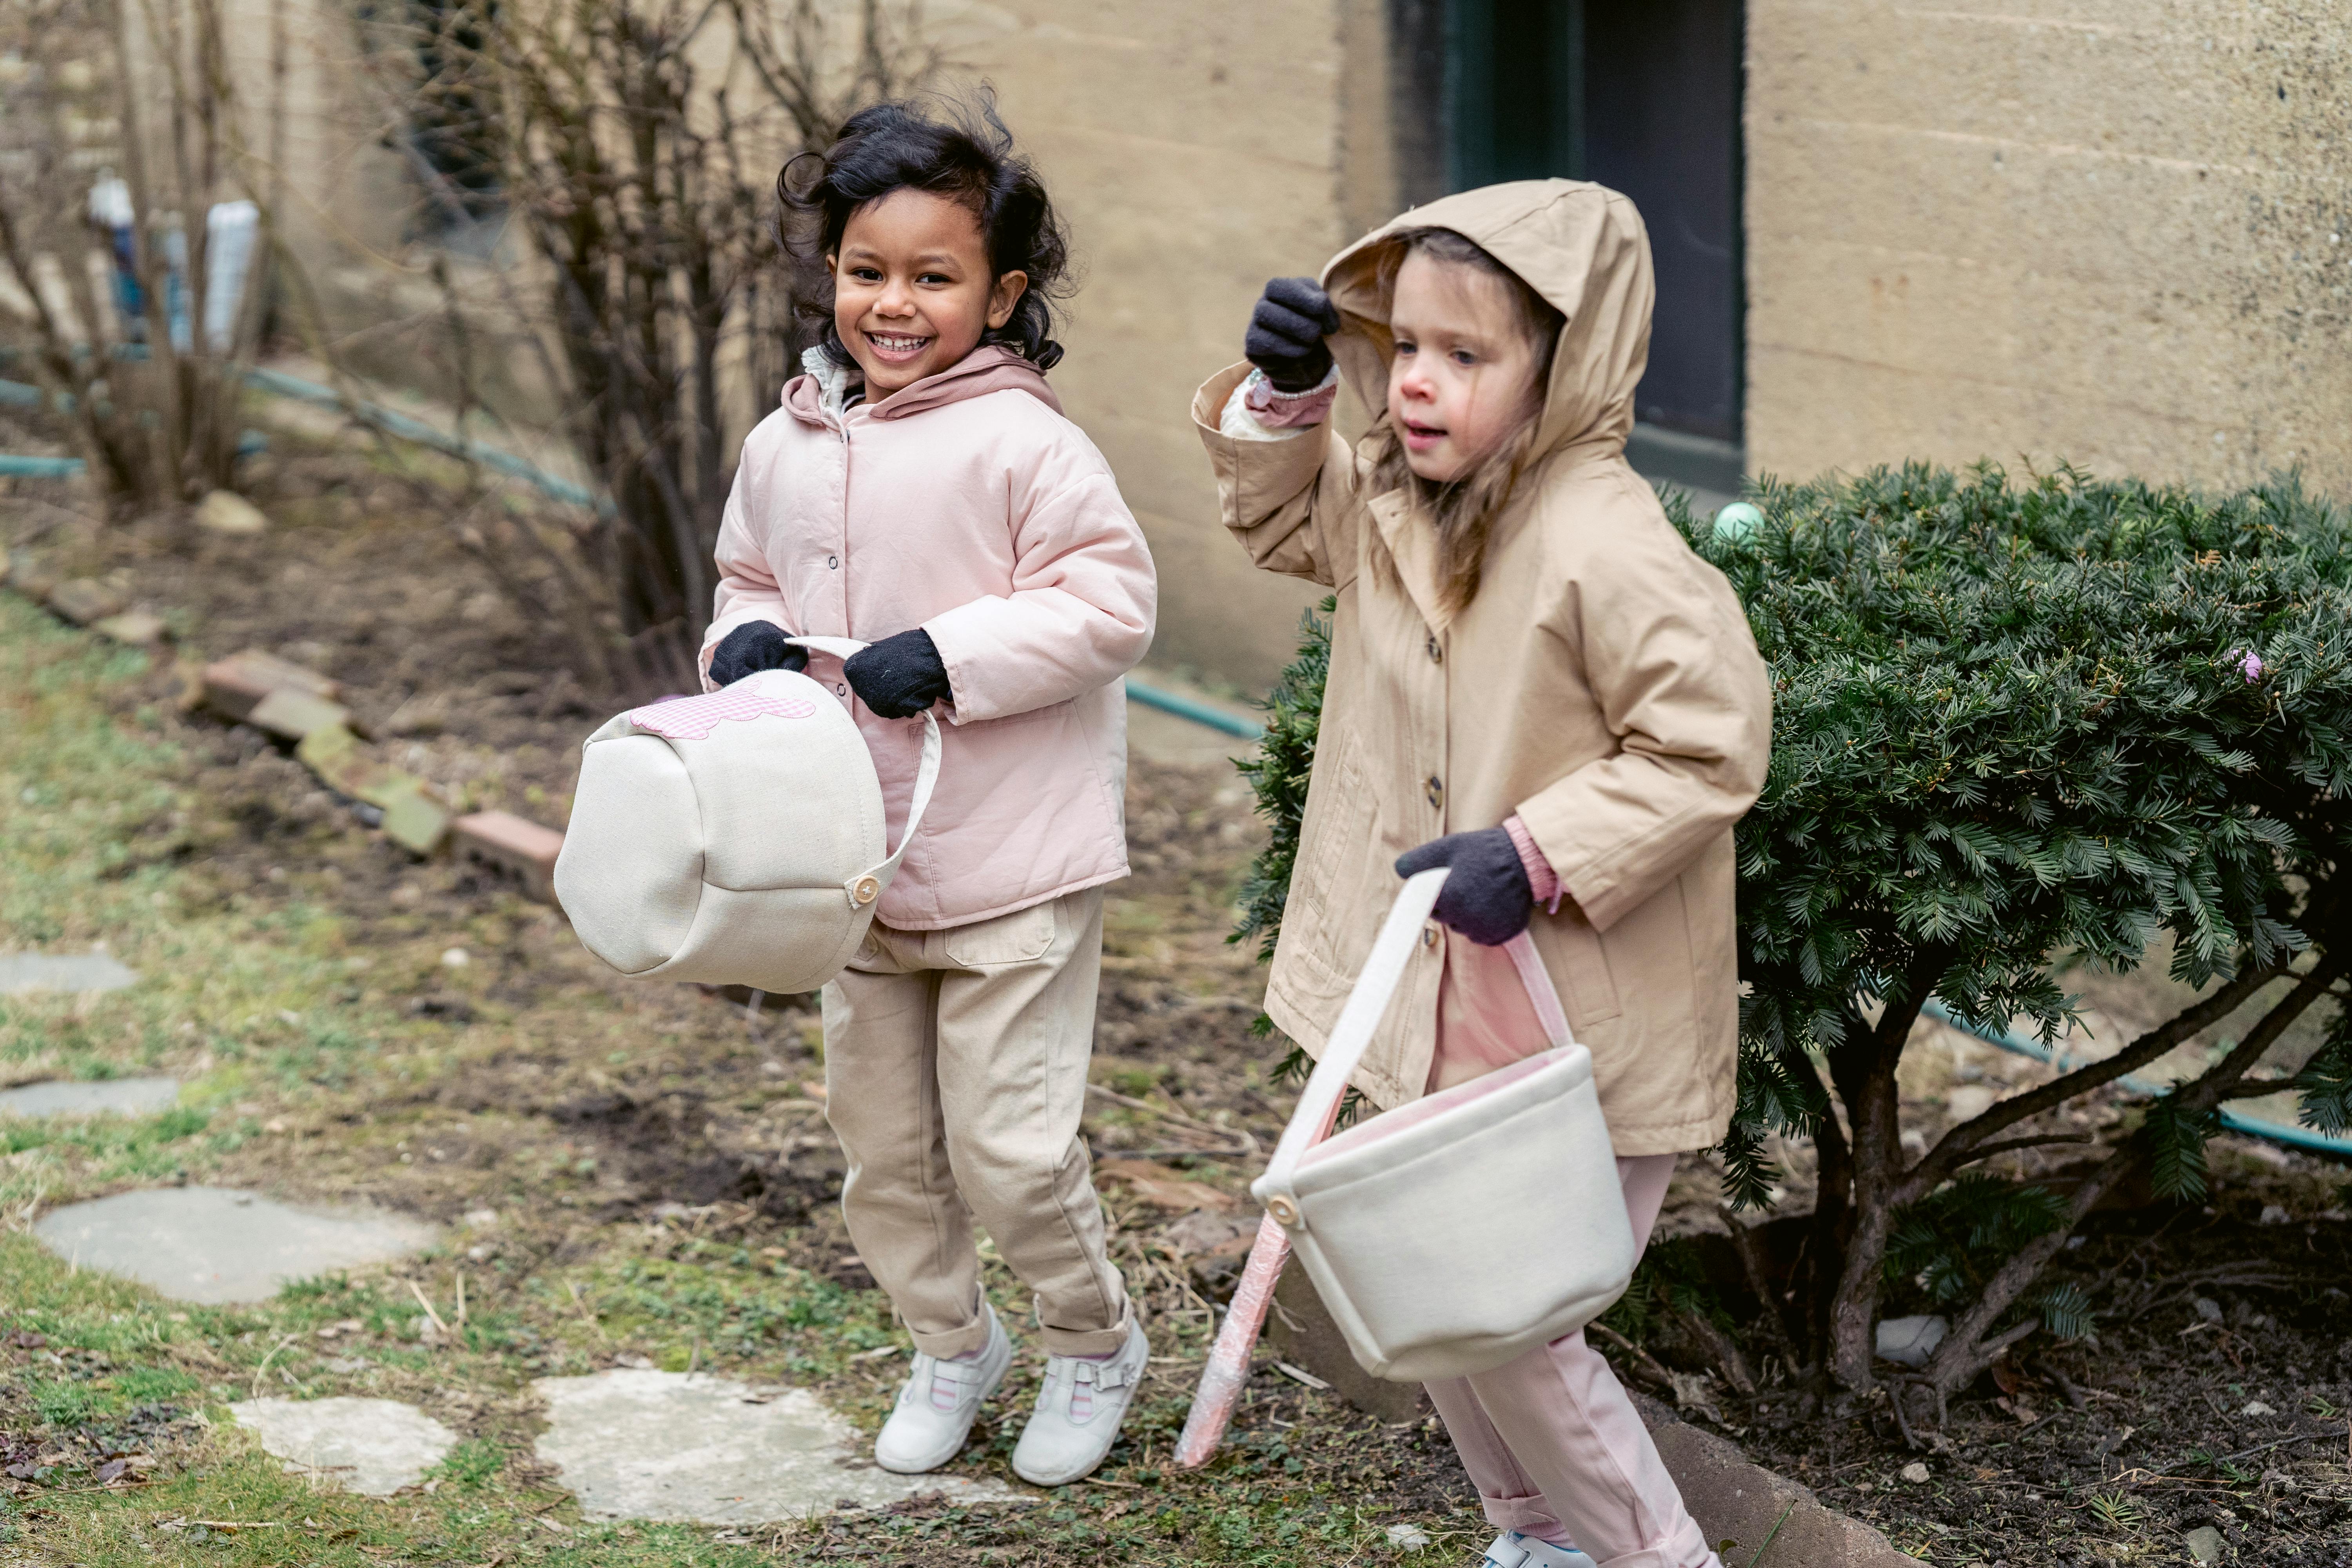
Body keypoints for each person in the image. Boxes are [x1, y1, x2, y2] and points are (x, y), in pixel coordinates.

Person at [1194, 182, 1771, 1568]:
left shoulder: (1603, 541)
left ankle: (1654, 1555)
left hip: (1576, 1012)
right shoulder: (1401, 505)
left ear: (1561, 369)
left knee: (1510, 1310)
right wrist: (1283, 402)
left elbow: (1710, 741)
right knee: (1433, 1277)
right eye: (1403, 349)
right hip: (1427, 999)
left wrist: (1538, 852)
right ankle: (1537, 1532)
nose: (1417, 387)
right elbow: (1287, 528)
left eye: (1469, 356)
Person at [701, 97, 1157, 1488]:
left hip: (1012, 860)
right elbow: (749, 576)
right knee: (885, 1153)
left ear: (1003, 294)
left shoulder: (1027, 446)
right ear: (831, 270)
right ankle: (952, 1343)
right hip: (854, 861)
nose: (893, 304)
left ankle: (1092, 1341)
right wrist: (735, 648)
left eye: (934, 277)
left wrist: (949, 655)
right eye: (866, 271)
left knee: (1012, 1150)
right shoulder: (786, 443)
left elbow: (1110, 603)